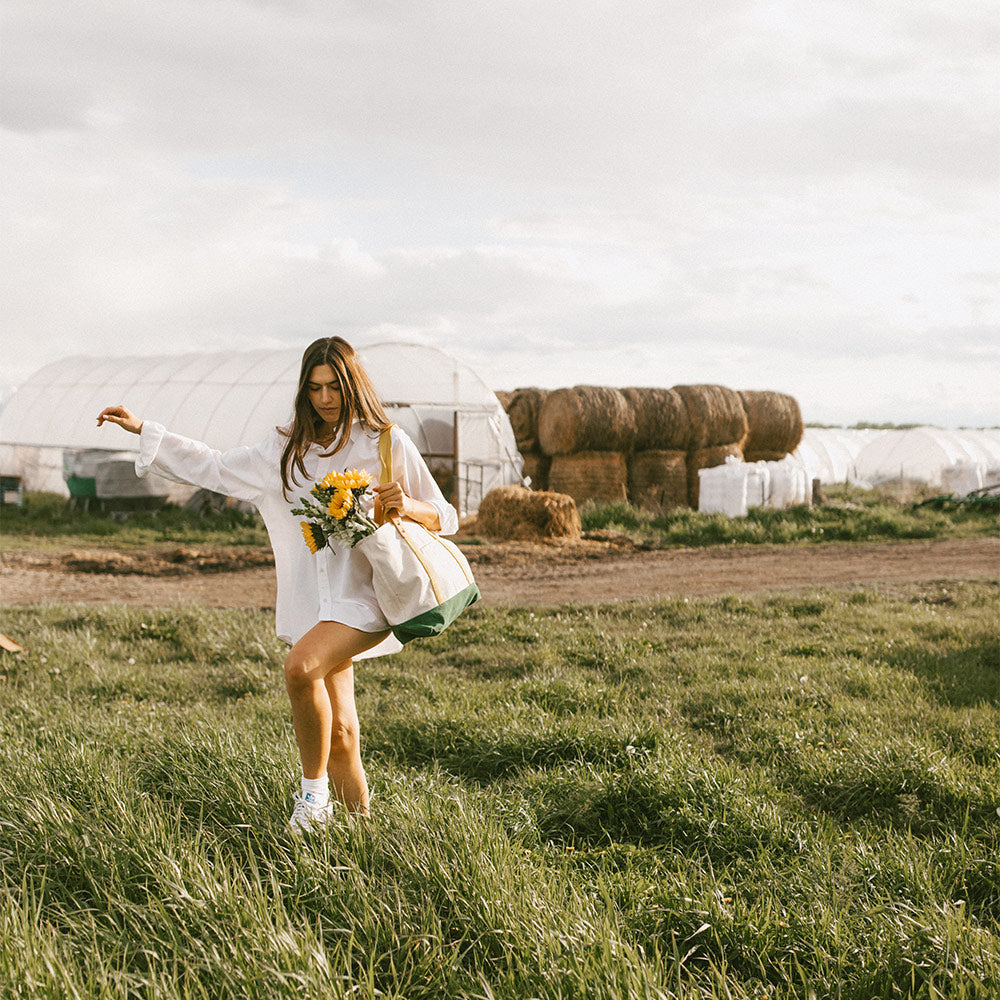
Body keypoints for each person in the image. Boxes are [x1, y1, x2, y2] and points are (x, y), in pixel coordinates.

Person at [97, 337, 458, 832]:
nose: (325, 398)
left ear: (353, 384)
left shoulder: (385, 441)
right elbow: (217, 467)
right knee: (344, 732)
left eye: (334, 386)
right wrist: (145, 431)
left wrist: (407, 505)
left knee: (300, 666)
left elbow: (447, 515)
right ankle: (364, 835)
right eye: (314, 388)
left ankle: (313, 799)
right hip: (315, 601)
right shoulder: (287, 449)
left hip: (370, 596)